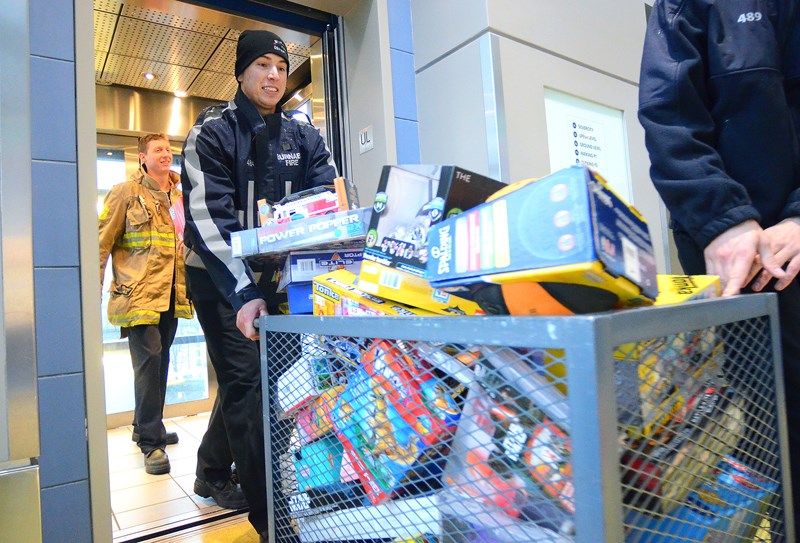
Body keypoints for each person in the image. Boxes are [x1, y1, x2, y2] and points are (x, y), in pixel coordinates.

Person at [639, 0, 800, 534]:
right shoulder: (686, 7)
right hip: (736, 266)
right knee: (757, 437)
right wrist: (725, 221)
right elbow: (669, 114)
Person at [181, 29, 338, 540]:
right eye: (262, 65)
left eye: (279, 66)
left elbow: (325, 203)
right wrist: (245, 291)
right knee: (250, 387)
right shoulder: (211, 132)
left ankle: (211, 471)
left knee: (280, 387)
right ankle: (272, 519)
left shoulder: (304, 135)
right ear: (242, 72)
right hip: (218, 280)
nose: (273, 75)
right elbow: (208, 220)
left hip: (281, 283)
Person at [99, 133, 193, 475]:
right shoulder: (126, 192)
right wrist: (90, 291)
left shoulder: (182, 195)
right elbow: (101, 242)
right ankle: (151, 444)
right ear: (143, 157)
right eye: (158, 150)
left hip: (171, 294)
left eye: (169, 149)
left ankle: (146, 425)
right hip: (137, 295)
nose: (166, 154)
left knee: (162, 360)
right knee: (149, 361)